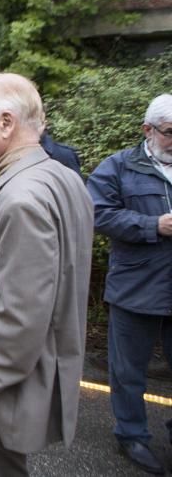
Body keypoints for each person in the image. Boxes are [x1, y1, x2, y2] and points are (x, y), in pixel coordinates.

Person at [0, 73, 93, 476]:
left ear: (6, 123)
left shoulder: (21, 197)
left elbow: (23, 314)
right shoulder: (61, 178)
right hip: (17, 379)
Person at [86, 93, 172, 475]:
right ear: (147, 130)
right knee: (128, 370)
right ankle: (132, 436)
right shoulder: (118, 166)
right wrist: (153, 225)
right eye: (170, 132)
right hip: (136, 286)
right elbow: (98, 214)